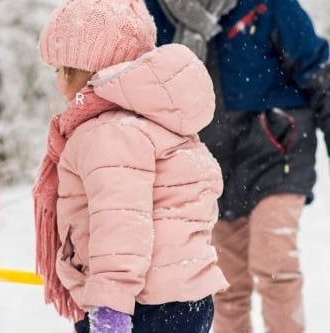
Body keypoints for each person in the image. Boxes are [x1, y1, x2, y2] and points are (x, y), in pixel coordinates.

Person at [32, 0, 229, 332]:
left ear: (86, 71)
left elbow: (120, 221)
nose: (57, 85)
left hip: (140, 305)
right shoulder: (157, 120)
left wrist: (111, 305)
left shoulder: (107, 131)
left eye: (60, 70)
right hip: (183, 296)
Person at [144, 0, 330, 332]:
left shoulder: (269, 5)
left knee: (274, 262)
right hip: (210, 168)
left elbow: (318, 69)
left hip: (278, 151)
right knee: (224, 285)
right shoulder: (153, 13)